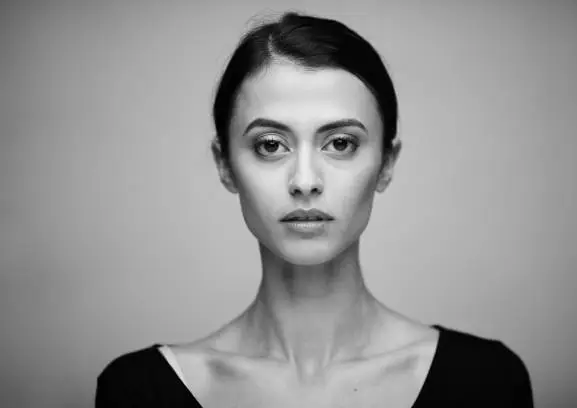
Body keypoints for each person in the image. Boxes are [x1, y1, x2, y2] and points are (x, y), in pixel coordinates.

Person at [95, 11, 534, 407]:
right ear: (225, 165)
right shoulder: (140, 392)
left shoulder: (485, 383)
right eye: (270, 145)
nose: (305, 181)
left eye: (340, 144)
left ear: (386, 164)